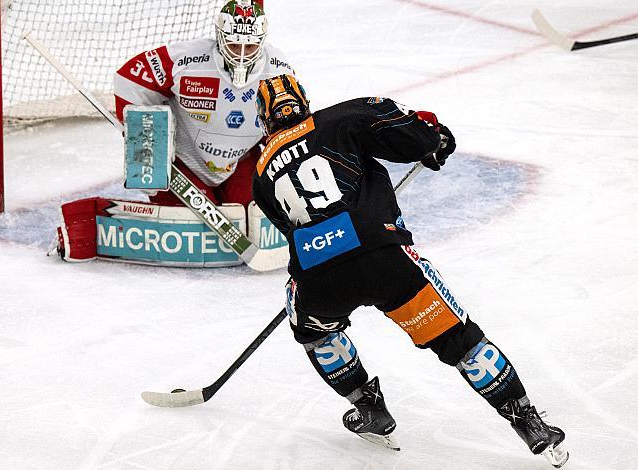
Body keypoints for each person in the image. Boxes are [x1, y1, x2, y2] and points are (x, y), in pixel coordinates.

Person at [251, 75, 569, 467]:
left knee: (313, 329)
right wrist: (434, 140)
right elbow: (413, 135)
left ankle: (368, 407)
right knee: (459, 339)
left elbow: (295, 225)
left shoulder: (260, 174)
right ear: (305, 103)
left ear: (265, 121)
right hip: (384, 257)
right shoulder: (341, 117)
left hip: (319, 275)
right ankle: (528, 421)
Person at [113, 0, 295, 209]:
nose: (242, 54)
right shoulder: (188, 60)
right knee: (183, 222)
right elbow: (129, 81)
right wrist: (145, 144)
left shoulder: (279, 72)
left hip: (240, 160)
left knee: (254, 212)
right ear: (220, 36)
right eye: (234, 45)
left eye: (250, 46)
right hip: (182, 163)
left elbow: (290, 130)